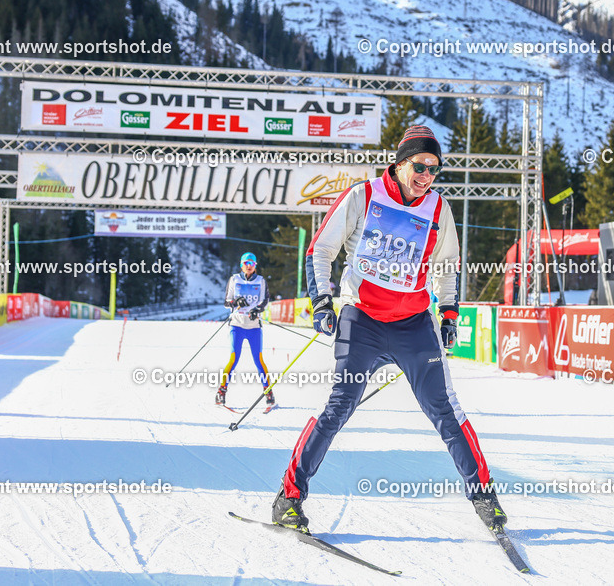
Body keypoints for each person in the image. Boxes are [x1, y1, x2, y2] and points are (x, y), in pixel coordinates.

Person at [272, 125, 506, 533]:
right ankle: (289, 497)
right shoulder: (363, 196)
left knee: (446, 412)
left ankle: (484, 497)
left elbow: (447, 265)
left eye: (435, 169)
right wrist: (323, 300)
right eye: (420, 165)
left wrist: (449, 313)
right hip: (362, 319)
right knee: (338, 409)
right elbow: (320, 249)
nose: (426, 175)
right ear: (400, 163)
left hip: (413, 325)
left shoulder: (438, 208)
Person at [216, 252, 272, 407]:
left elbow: (265, 300)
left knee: (259, 360)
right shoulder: (234, 279)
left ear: (255, 266)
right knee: (233, 359)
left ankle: (268, 392)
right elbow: (227, 302)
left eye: (252, 264)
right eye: (246, 263)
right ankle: (221, 391)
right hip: (237, 325)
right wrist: (236, 301)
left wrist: (257, 310)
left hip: (254, 327)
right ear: (241, 264)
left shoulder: (261, 281)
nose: (249, 266)